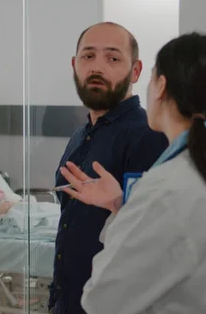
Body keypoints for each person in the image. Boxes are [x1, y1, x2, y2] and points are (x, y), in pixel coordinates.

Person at [60, 32, 206, 314]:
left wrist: (128, 212)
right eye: (88, 55)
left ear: (160, 86)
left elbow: (101, 300)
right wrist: (121, 206)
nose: (98, 66)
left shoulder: (164, 189)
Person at [48, 22, 168, 314]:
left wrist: (118, 203)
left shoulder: (147, 135)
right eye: (88, 57)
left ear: (136, 71)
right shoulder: (81, 136)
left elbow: (157, 239)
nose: (97, 67)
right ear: (75, 66)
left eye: (113, 58)